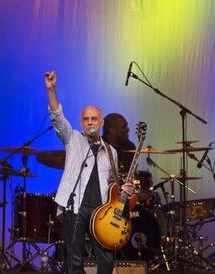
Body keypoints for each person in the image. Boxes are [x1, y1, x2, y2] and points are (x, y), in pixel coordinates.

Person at [45, 71, 134, 274]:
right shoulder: (73, 139)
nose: (90, 122)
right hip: (74, 207)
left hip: (100, 211)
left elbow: (113, 183)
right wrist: (51, 90)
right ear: (81, 122)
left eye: (94, 118)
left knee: (106, 259)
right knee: (74, 260)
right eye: (86, 119)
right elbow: (57, 117)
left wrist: (124, 189)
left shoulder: (111, 152)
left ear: (101, 123)